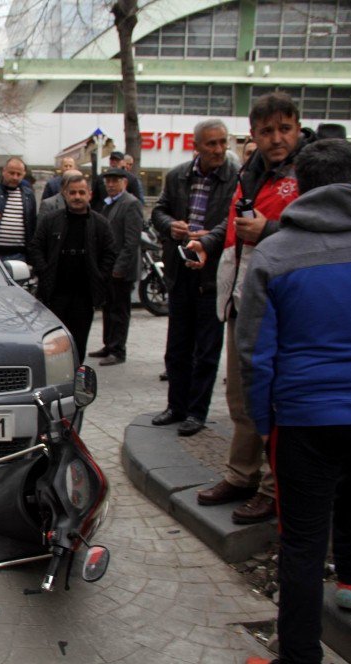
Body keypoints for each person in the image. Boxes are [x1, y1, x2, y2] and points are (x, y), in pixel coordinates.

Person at [237, 138, 351, 664]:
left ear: (299, 187)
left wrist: (264, 424)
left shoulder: (275, 254)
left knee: (302, 543)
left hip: (306, 418)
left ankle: (300, 657)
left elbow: (257, 353)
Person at [186, 92, 313, 524]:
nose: (277, 138)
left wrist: (270, 230)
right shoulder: (252, 170)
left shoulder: (311, 171)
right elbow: (235, 220)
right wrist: (205, 241)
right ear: (254, 134)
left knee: (275, 399)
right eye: (267, 131)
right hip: (243, 296)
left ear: (297, 127)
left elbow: (322, 232)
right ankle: (241, 475)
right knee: (240, 397)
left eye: (285, 128)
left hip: (288, 303)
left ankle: (273, 490)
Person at [149, 119, 237, 437]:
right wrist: (170, 225)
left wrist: (208, 240)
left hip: (213, 275)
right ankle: (176, 406)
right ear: (196, 145)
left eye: (222, 142)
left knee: (206, 350)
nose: (218, 149)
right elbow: (158, 211)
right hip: (180, 270)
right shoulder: (177, 176)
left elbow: (234, 222)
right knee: (177, 347)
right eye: (211, 144)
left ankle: (197, 412)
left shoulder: (236, 177)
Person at [28, 174, 116, 363]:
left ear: (89, 194)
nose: (77, 197)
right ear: (64, 194)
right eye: (72, 192)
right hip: (55, 293)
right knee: (54, 342)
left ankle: (76, 380)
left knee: (79, 342)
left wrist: (100, 276)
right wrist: (44, 270)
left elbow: (110, 253)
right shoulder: (51, 220)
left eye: (81, 192)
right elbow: (36, 247)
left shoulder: (100, 224)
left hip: (84, 296)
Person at [87, 167, 142, 366]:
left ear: (124, 183)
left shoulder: (130, 204)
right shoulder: (109, 204)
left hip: (122, 269)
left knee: (119, 310)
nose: (110, 184)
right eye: (107, 181)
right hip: (109, 267)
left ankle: (118, 349)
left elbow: (131, 241)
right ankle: (109, 344)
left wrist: (120, 267)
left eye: (114, 181)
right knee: (109, 308)